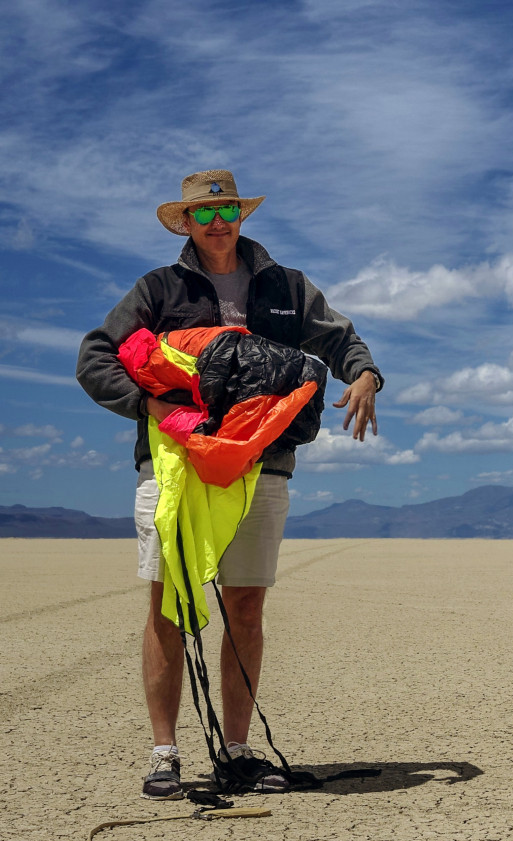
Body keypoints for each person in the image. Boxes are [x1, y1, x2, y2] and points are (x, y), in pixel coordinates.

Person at [76, 169, 383, 798]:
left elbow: (340, 338)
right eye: (204, 214)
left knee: (245, 605)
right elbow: (94, 357)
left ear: (242, 216)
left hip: (261, 468)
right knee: (170, 607)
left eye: (227, 211)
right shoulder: (159, 289)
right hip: (176, 467)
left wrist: (365, 374)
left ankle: (237, 753)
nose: (218, 223)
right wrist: (150, 408)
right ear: (186, 222)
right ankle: (165, 754)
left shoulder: (287, 287)